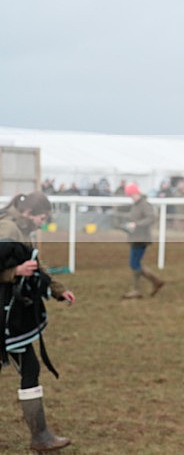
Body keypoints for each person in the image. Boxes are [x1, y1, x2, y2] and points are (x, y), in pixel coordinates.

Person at [0, 191, 75, 451]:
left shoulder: (21, 227)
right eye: (42, 217)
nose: (43, 223)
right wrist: (14, 272)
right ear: (30, 213)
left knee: (30, 367)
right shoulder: (7, 227)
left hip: (8, 315)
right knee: (30, 367)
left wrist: (57, 289)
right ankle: (40, 436)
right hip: (3, 315)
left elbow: (35, 264)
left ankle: (40, 436)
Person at [122, 182, 165, 299]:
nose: (130, 197)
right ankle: (155, 282)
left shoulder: (144, 204)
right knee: (135, 263)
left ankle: (139, 289)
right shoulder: (136, 205)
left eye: (131, 194)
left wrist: (136, 225)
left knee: (134, 263)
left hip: (141, 238)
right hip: (136, 237)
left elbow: (151, 218)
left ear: (135, 193)